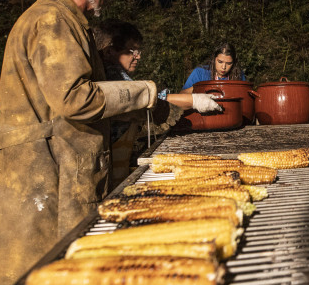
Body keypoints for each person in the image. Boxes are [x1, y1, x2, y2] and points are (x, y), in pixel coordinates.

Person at [0, 0, 160, 285]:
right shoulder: (53, 21)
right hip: (43, 179)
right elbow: (75, 99)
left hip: (54, 171)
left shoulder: (64, 19)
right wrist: (146, 91)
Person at [93, 19, 222, 181]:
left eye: (139, 51)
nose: (138, 57)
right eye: (132, 50)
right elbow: (146, 100)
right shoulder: (111, 76)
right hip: (108, 166)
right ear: (110, 51)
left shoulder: (115, 74)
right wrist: (193, 101)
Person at [180, 42, 246, 93]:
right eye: (220, 62)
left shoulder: (239, 75)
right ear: (214, 59)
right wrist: (200, 89)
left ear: (234, 63)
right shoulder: (200, 73)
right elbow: (182, 95)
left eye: (228, 63)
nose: (223, 67)